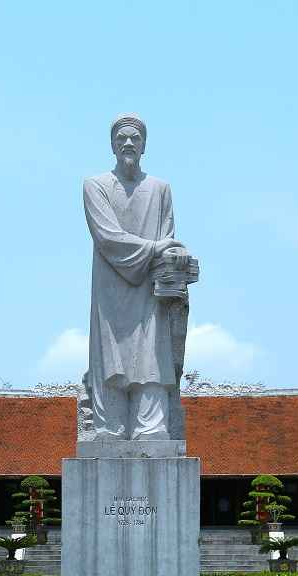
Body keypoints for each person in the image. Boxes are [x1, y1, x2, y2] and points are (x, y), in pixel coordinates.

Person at [82, 114, 190, 440]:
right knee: (110, 356)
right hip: (109, 288)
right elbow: (107, 237)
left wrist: (174, 255)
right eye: (122, 138)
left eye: (135, 138)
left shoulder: (160, 189)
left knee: (151, 354)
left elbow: (169, 238)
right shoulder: (95, 186)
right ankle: (109, 426)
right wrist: (158, 248)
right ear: (112, 144)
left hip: (148, 288)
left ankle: (151, 426)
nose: (128, 143)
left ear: (144, 145)